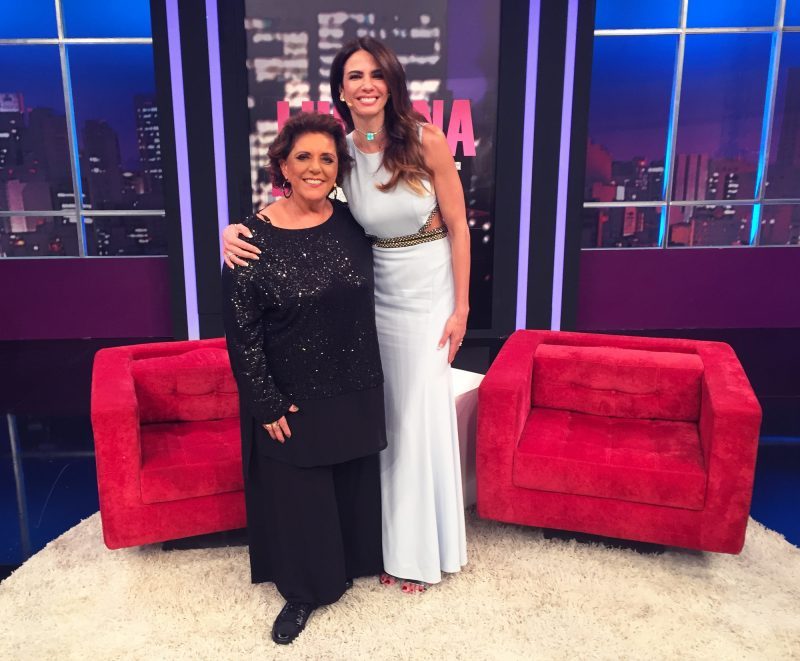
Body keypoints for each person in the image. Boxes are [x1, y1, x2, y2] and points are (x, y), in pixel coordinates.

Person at [223, 36, 470, 593]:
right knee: (384, 416)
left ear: (392, 83)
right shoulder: (340, 151)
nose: (366, 85)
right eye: (355, 75)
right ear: (340, 89)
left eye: (376, 74)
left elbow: (458, 227)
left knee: (417, 415)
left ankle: (421, 553)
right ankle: (382, 544)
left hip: (427, 289)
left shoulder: (427, 140)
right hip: (371, 286)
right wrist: (234, 231)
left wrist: (462, 307)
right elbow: (302, 198)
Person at [222, 111, 386, 645]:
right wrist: (264, 402)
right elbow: (242, 333)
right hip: (292, 395)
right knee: (302, 501)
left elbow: (414, 235)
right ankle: (302, 592)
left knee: (352, 487)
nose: (316, 167)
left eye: (327, 158)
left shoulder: (355, 222)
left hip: (354, 382)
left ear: (339, 169)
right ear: (283, 167)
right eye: (304, 157)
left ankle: (354, 564)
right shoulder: (250, 239)